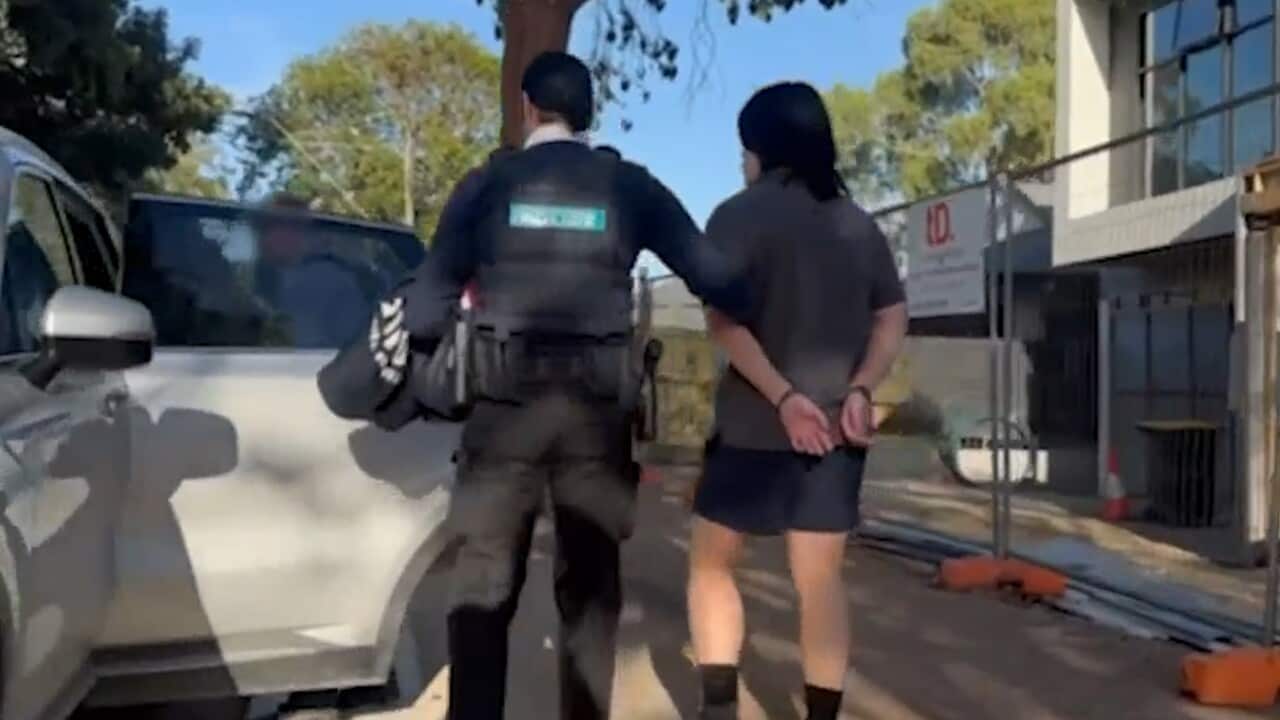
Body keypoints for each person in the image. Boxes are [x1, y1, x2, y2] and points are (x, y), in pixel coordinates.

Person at [369, 51, 751, 719]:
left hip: (500, 420)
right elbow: (713, 276)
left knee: (483, 590)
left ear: (527, 107)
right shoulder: (629, 187)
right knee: (592, 597)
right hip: (597, 426)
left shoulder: (488, 184)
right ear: (586, 115)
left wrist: (402, 378)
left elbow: (427, 302)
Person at [687, 82, 908, 720]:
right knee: (820, 583)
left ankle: (719, 708)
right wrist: (862, 386)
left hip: (750, 430)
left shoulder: (736, 214)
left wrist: (783, 398)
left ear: (761, 148)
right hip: (836, 431)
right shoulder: (857, 223)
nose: (741, 161)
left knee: (711, 566)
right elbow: (891, 316)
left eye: (744, 148)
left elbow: (725, 324)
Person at [255, 192, 370, 348]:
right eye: (268, 226)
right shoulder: (255, 279)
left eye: (294, 226)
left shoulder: (331, 281)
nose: (281, 233)